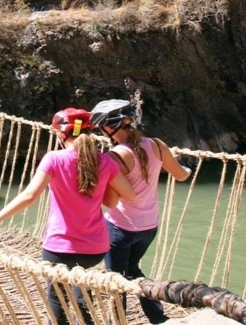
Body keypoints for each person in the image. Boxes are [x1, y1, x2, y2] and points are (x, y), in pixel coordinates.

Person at [0, 108, 135, 325]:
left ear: (62, 134)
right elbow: (127, 195)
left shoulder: (53, 159)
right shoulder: (105, 162)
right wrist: (101, 187)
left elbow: (29, 196)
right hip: (95, 250)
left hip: (60, 249)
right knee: (81, 290)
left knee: (57, 300)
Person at [91, 99, 192, 325]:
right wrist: (187, 168)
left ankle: (117, 322)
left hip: (120, 228)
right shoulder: (157, 145)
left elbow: (112, 201)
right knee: (132, 269)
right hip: (149, 227)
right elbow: (181, 175)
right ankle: (157, 317)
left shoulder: (115, 157)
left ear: (108, 128)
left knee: (115, 281)